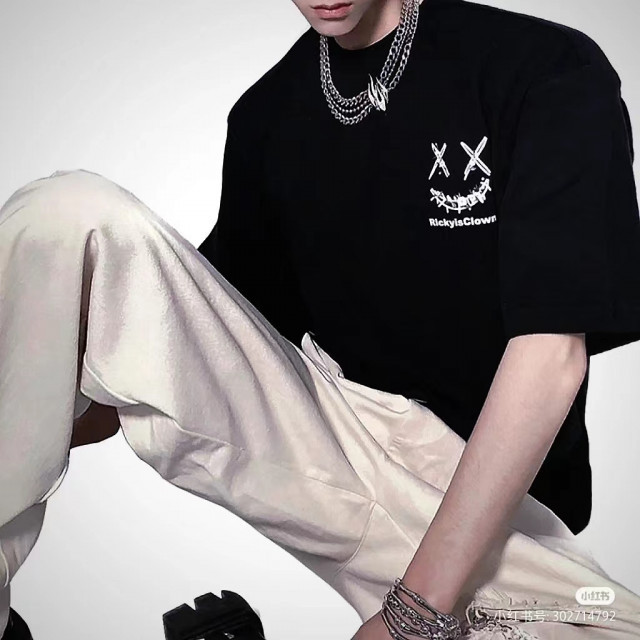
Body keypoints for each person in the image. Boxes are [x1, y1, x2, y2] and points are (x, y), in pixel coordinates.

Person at [1, 1, 640, 639]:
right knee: (67, 213)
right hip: (339, 443)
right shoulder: (267, 116)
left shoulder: (541, 67)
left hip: (499, 505)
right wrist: (36, 404)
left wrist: (413, 615)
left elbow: (552, 353)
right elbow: (180, 349)